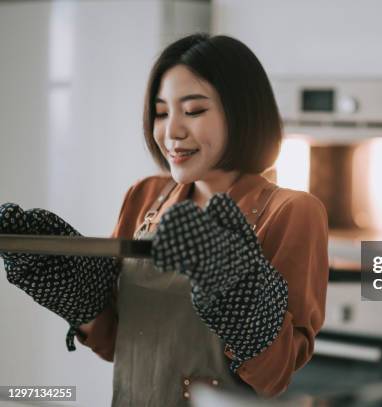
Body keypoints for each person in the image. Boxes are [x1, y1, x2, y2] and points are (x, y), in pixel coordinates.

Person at [0, 34, 329, 405]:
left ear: (241, 111)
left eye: (193, 111)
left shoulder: (292, 211)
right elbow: (114, 343)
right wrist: (76, 296)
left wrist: (240, 295)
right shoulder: (144, 195)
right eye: (161, 113)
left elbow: (277, 373)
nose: (171, 131)